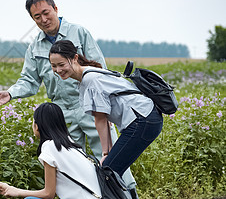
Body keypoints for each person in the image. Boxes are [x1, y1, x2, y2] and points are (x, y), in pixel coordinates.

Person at [0, 0, 153, 199]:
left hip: (91, 105)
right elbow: (29, 80)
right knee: (69, 165)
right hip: (62, 112)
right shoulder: (34, 47)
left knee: (111, 160)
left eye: (46, 12)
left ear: (56, 8)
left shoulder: (79, 33)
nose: (43, 19)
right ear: (32, 19)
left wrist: (105, 106)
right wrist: (11, 93)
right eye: (37, 17)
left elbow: (100, 68)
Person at [48, 40, 163, 185]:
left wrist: (105, 154)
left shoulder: (90, 79)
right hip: (146, 117)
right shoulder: (89, 74)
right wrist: (107, 153)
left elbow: (101, 120)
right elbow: (106, 120)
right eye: (54, 66)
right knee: (111, 171)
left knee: (109, 171)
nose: (58, 70)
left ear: (75, 58)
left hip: (142, 119)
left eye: (61, 64)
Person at [0, 102, 115, 199]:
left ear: (37, 126)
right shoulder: (70, 144)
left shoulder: (49, 147)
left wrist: (15, 191)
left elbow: (48, 193)